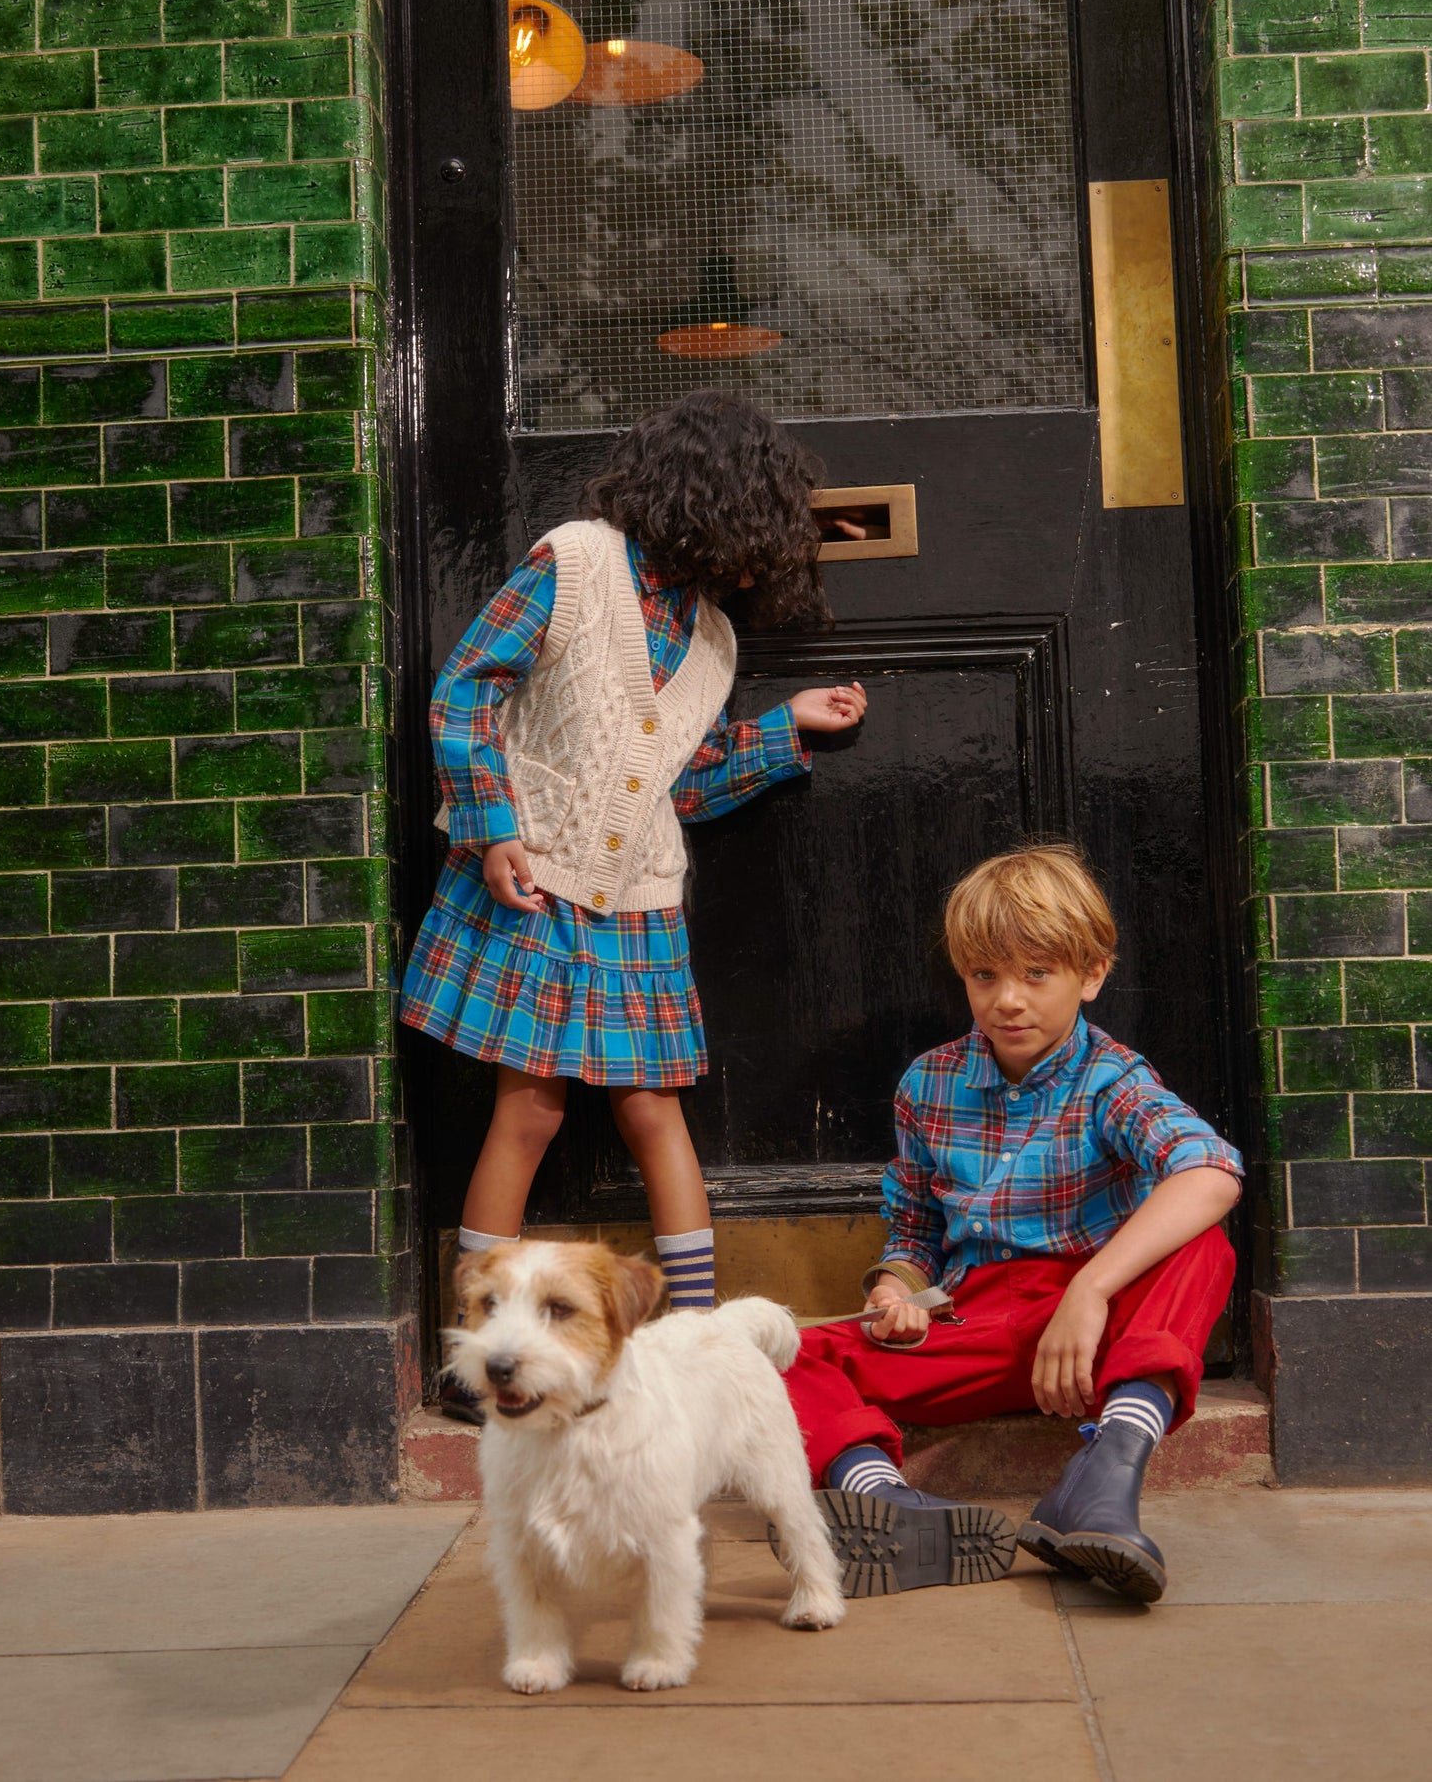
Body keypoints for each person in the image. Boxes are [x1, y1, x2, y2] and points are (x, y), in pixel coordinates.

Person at [401, 391, 868, 1420]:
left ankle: (697, 1350)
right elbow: (466, 689)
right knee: (528, 1108)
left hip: (640, 899)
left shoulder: (713, 641)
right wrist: (492, 826)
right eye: (761, 522)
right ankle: (476, 1358)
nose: (764, 555)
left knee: (654, 1109)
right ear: (717, 502)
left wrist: (783, 727)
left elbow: (678, 783)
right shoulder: (574, 561)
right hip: (534, 875)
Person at [780, 844, 1243, 1602]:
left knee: (1203, 1243)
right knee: (772, 1353)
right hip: (979, 1321)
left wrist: (1089, 1291)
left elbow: (1210, 1171)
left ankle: (1104, 1476)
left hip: (1093, 1330)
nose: (1008, 1000)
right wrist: (894, 1292)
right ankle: (882, 1501)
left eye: (1036, 974)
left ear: (1091, 974)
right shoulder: (929, 1083)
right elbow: (915, 1231)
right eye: (984, 976)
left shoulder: (1111, 1080)